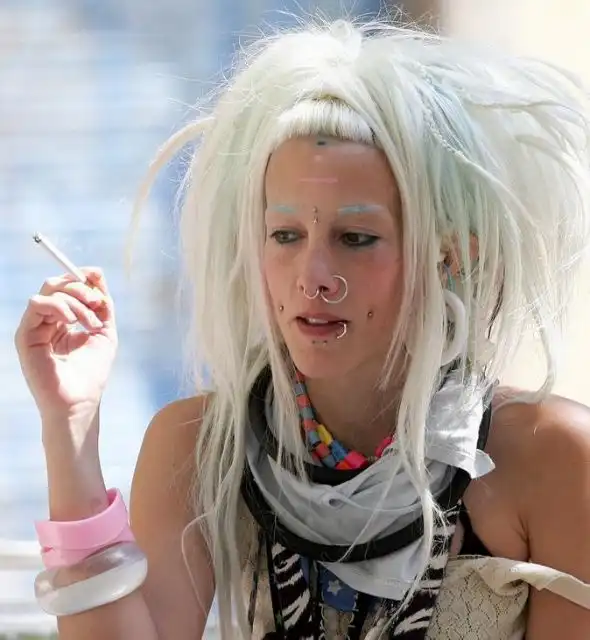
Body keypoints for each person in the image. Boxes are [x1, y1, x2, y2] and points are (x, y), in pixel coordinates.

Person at [14, 18, 590, 640]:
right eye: (286, 235)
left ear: (447, 255)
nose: (312, 277)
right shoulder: (199, 448)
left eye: (355, 238)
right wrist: (70, 429)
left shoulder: (553, 456)